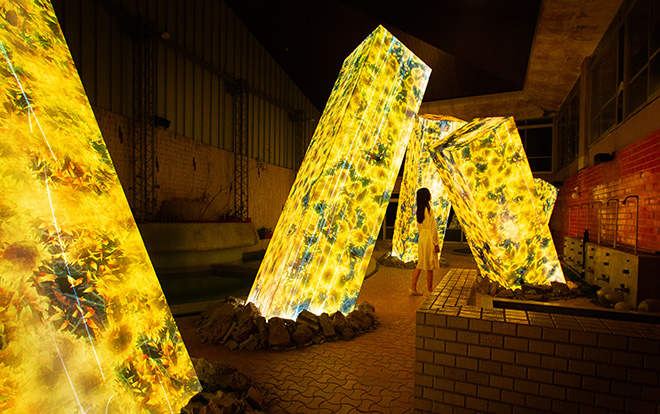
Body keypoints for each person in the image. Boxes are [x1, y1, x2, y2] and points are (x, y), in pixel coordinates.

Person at [410, 188, 440, 295]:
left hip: (422, 238)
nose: (431, 195)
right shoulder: (429, 210)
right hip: (428, 238)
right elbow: (433, 229)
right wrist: (436, 243)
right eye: (429, 193)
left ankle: (413, 287)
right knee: (429, 265)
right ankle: (430, 290)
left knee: (421, 263)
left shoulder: (419, 211)